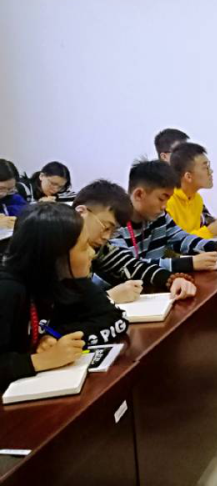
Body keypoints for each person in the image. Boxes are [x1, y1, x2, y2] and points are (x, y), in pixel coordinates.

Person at [0, 204, 129, 391]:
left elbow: (116, 318)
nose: (92, 254)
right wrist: (40, 360)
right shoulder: (7, 290)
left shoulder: (65, 278)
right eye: (84, 247)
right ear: (56, 255)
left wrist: (55, 336)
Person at [109, 159, 217, 273]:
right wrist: (188, 263)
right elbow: (128, 267)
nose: (164, 206)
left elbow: (182, 238)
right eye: (162, 199)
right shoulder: (112, 225)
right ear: (139, 194)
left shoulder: (160, 216)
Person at [73, 180, 196, 303]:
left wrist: (171, 279)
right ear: (81, 212)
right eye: (106, 227)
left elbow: (129, 264)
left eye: (112, 232)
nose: (106, 237)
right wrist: (109, 297)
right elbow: (65, 308)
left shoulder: (98, 248)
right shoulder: (61, 245)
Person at [166, 142, 217, 238]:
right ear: (188, 176)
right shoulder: (167, 202)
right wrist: (208, 232)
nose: (211, 171)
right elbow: (172, 242)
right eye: (205, 168)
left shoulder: (197, 199)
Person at [0, 159, 27, 228]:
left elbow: (26, 211)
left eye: (10, 189)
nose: (4, 194)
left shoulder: (13, 197)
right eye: (1, 188)